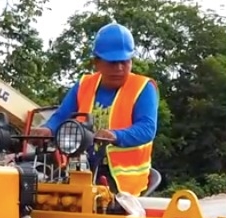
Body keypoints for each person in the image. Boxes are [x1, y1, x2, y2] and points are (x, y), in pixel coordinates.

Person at [31, 22, 159, 197]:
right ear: (96, 62)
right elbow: (62, 116)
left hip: (123, 184)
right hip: (80, 170)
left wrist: (116, 136)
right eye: (113, 62)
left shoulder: (143, 87)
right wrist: (47, 129)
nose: (119, 68)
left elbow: (147, 128)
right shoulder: (84, 84)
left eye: (125, 61)